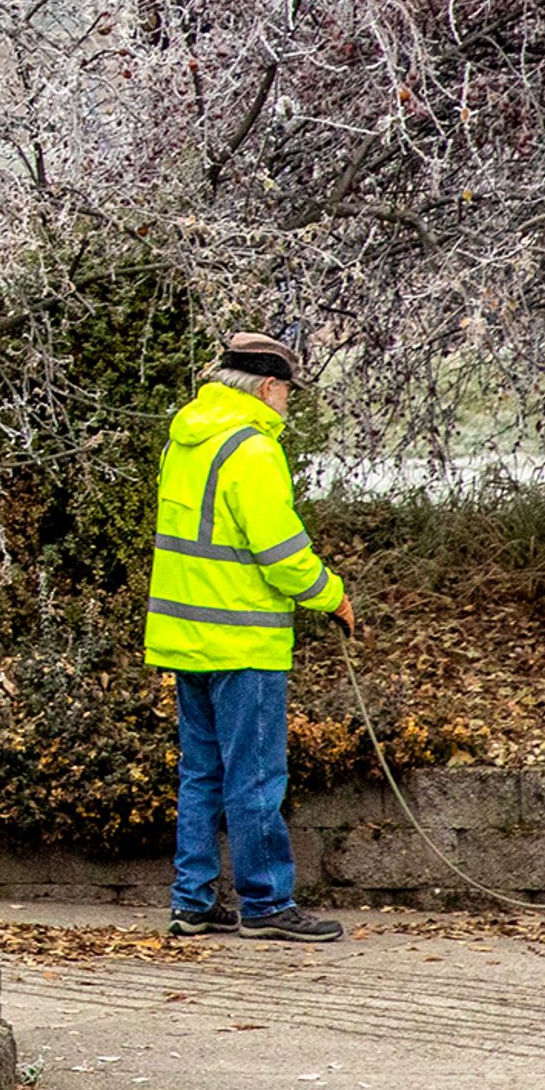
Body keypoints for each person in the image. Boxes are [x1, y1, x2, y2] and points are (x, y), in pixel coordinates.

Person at [145, 331, 357, 943]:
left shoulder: (187, 441)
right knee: (256, 776)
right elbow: (283, 555)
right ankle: (265, 903)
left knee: (201, 773)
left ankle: (192, 901)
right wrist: (332, 595)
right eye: (287, 390)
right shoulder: (253, 451)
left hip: (187, 635)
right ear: (268, 387)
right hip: (244, 641)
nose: (289, 402)